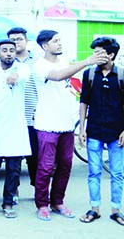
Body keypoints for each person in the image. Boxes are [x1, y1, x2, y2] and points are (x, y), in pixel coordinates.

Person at [32, 30, 108, 221]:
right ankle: (42, 204)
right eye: (55, 41)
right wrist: (86, 61)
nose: (59, 43)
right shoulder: (39, 65)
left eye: (60, 40)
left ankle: (58, 202)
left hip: (66, 123)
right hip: (47, 124)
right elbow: (57, 76)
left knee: (66, 165)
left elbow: (74, 83)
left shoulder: (66, 61)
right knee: (46, 166)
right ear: (44, 46)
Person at [0, 40, 32, 218]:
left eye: (12, 50)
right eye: (4, 50)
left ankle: (8, 203)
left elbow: (21, 76)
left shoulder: (22, 68)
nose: (9, 53)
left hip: (15, 126)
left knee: (14, 168)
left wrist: (14, 76)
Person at [78, 37, 124, 225]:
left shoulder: (121, 75)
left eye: (99, 52)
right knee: (93, 172)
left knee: (117, 173)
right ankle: (94, 209)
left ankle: (116, 210)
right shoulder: (89, 74)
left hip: (117, 132)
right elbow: (84, 102)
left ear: (111, 54)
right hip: (94, 130)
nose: (95, 55)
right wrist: (81, 128)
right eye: (94, 52)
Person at [8, 27, 39, 193]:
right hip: (13, 117)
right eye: (12, 39)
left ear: (26, 41)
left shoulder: (37, 61)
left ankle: (38, 190)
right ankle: (13, 192)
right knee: (14, 158)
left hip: (34, 116)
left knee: (35, 157)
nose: (15, 42)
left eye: (19, 39)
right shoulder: (6, 63)